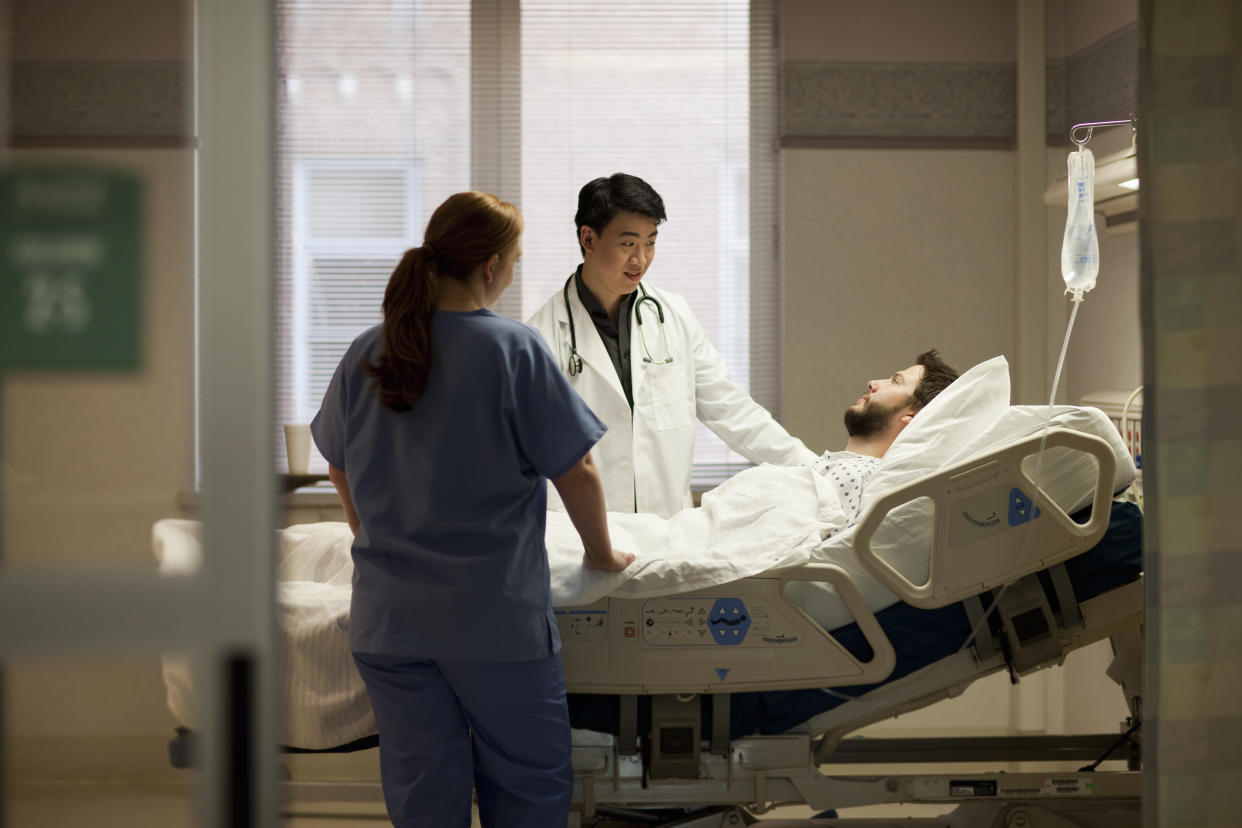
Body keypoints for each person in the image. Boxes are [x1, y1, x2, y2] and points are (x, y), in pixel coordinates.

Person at [311, 191, 634, 828]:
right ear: (491, 267)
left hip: (390, 621)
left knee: (424, 789)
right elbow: (577, 469)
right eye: (513, 261)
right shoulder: (511, 349)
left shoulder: (368, 350)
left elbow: (337, 464)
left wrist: (372, 537)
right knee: (526, 784)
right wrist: (601, 553)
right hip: (492, 624)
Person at [527, 173, 817, 519]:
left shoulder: (673, 316)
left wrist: (816, 470)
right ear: (588, 238)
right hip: (582, 539)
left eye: (650, 242)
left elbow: (732, 409)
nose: (641, 260)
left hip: (665, 529)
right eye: (627, 244)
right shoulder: (542, 336)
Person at [812, 349, 960, 523]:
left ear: (914, 416)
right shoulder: (838, 468)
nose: (872, 383)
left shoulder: (855, 475)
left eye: (895, 381)